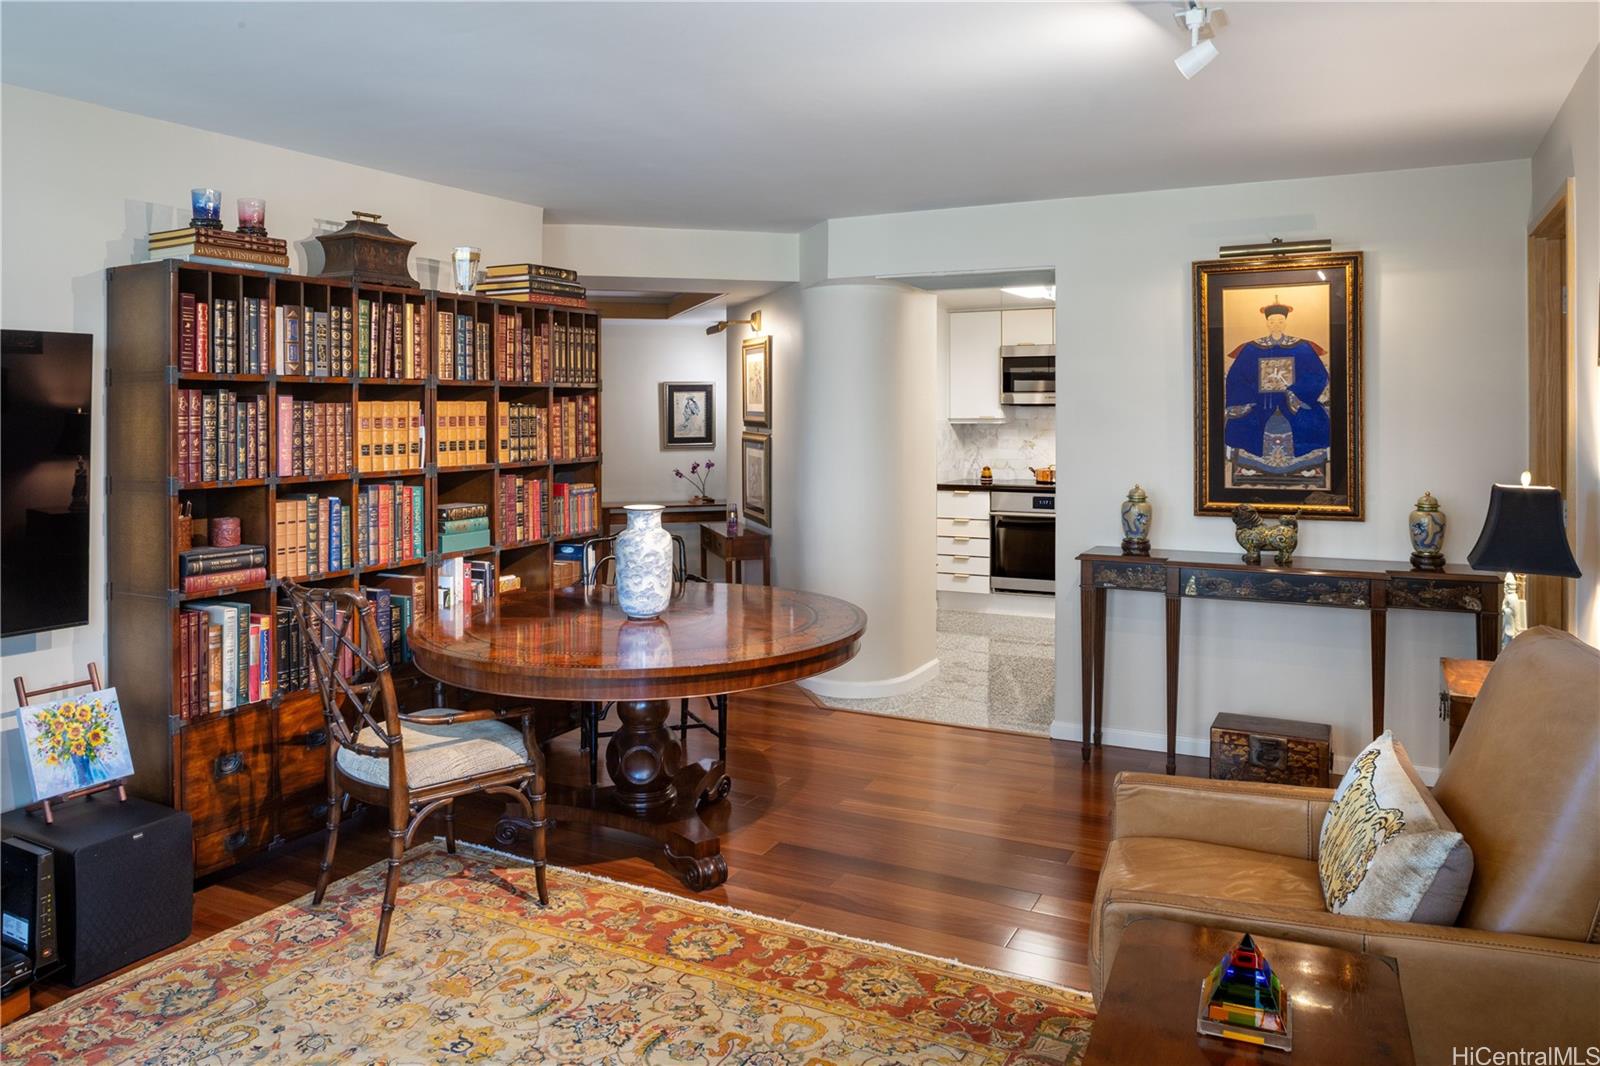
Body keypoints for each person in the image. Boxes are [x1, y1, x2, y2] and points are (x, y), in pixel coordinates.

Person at [1222, 297, 1330, 481]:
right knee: (1242, 423)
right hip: (1259, 401)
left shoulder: (1302, 347)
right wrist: (1250, 396)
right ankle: (1249, 467)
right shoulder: (1251, 349)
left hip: (1294, 398)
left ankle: (1307, 467)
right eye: (1272, 321)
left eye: (1280, 321)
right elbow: (1236, 377)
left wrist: (1296, 393)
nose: (1276, 325)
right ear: (1266, 323)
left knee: (1313, 420)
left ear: (1286, 322)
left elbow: (1318, 374)